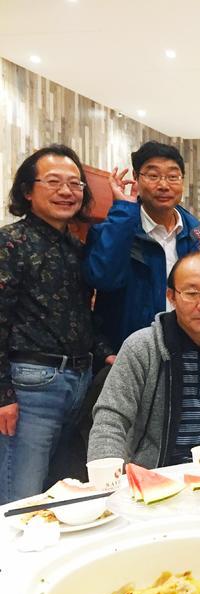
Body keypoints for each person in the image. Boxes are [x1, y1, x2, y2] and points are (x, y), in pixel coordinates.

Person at [0, 145, 113, 503]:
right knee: (22, 496)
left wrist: (105, 353)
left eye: (75, 184)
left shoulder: (75, 246)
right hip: (31, 386)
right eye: (53, 182)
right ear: (27, 191)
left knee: (62, 492)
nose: (67, 191)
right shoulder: (10, 242)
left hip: (78, 381)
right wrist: (3, 395)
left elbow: (79, 314)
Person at [88, 252, 200, 468]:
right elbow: (110, 419)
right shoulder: (142, 347)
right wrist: (108, 478)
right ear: (171, 296)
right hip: (158, 473)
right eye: (192, 293)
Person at [83, 141, 200, 352]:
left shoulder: (196, 233)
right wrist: (123, 212)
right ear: (136, 178)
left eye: (173, 176)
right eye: (153, 175)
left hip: (184, 350)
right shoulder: (113, 229)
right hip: (127, 352)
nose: (164, 185)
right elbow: (103, 279)